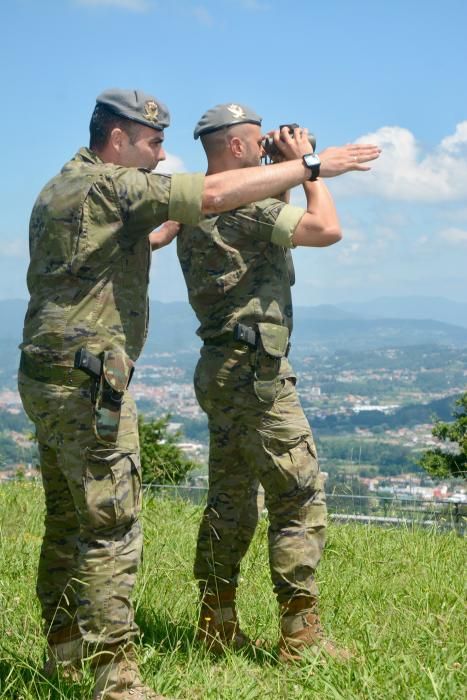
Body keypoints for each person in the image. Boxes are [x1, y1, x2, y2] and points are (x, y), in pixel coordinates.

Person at [18, 88, 378, 699]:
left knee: (71, 521)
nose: (161, 157)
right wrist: (314, 163)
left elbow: (162, 230)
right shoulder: (111, 185)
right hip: (93, 377)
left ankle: (66, 655)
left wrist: (267, 173)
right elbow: (228, 200)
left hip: (50, 371)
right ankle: (117, 681)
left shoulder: (61, 188)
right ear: (118, 139)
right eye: (154, 143)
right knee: (112, 526)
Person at [177, 103, 381, 662]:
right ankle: (300, 634)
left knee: (231, 495)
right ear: (239, 148)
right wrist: (310, 169)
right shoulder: (237, 202)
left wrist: (283, 175)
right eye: (257, 144)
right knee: (298, 491)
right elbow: (325, 230)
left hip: (222, 366)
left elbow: (268, 242)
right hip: (256, 371)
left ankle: (215, 621)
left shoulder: (202, 201)